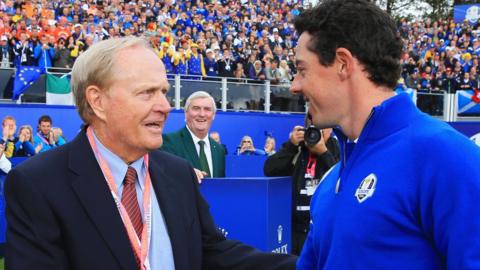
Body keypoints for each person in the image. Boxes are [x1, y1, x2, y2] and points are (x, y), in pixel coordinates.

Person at [5, 37, 296, 270]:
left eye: (164, 92)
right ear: (98, 101)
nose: (165, 106)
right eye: (147, 93)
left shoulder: (178, 174)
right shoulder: (39, 184)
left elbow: (214, 253)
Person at [290, 1, 480, 269]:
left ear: (343, 63)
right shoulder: (332, 179)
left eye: (301, 70)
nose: (294, 86)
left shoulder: (446, 156)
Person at [264, 125, 339, 255]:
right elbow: (269, 170)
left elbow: (341, 180)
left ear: (330, 129)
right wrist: (291, 146)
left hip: (325, 230)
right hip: (295, 230)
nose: (318, 133)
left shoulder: (336, 148)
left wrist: (323, 152)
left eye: (323, 128)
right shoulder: (297, 148)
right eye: (314, 128)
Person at [161, 91, 226, 179]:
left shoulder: (219, 150)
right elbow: (162, 176)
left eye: (207, 109)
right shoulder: (169, 142)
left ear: (213, 115)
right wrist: (185, 173)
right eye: (196, 108)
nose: (202, 114)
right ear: (186, 113)